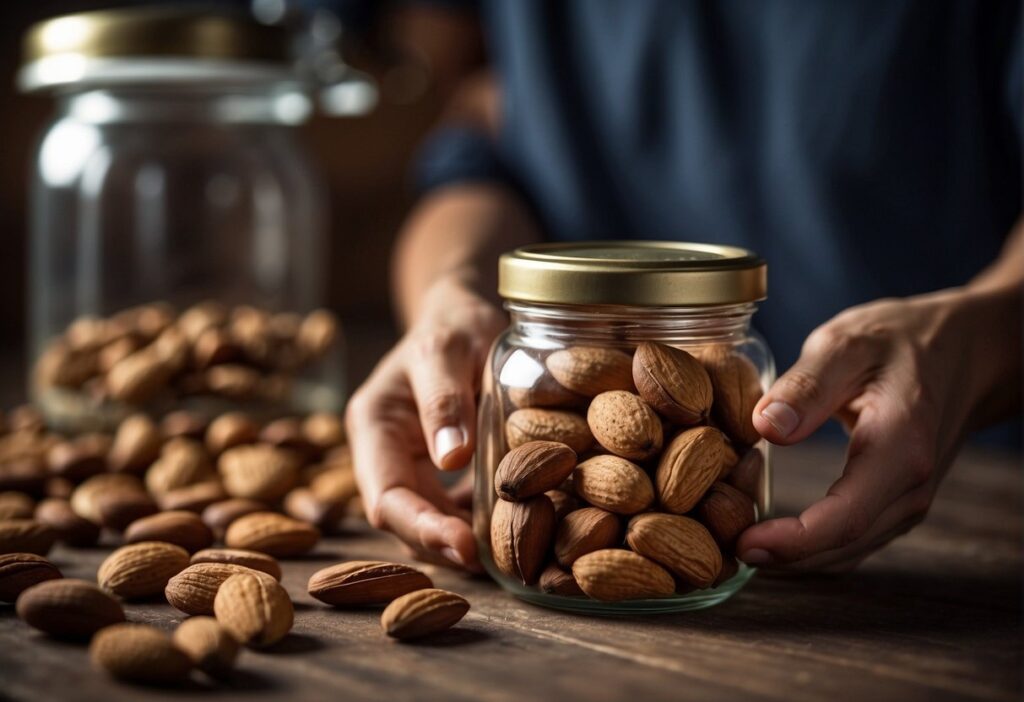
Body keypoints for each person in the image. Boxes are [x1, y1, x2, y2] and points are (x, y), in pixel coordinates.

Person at [343, 1, 1023, 574]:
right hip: (560, 351)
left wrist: (984, 330)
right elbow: (483, 123)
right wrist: (450, 290)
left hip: (979, 504)